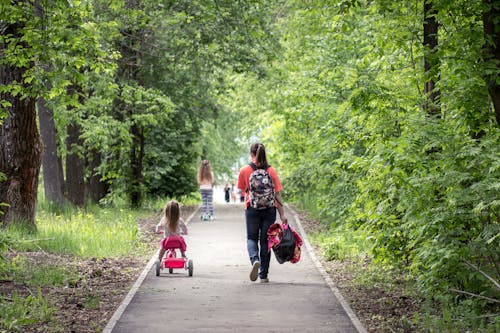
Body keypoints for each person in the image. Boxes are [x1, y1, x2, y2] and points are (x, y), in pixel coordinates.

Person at [237, 142, 287, 283]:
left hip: (252, 208)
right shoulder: (271, 171)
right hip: (269, 209)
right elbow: (277, 194)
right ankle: (263, 275)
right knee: (266, 241)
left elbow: (243, 189)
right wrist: (282, 214)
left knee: (252, 238)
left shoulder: (245, 170)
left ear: (251, 153)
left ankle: (255, 260)